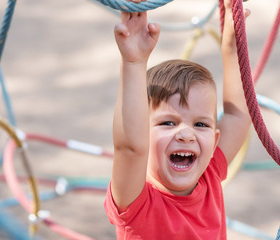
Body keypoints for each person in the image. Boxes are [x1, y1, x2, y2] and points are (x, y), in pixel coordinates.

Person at [104, 0, 251, 239]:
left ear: (215, 141)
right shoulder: (136, 201)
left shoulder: (210, 173)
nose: (186, 134)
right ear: (143, 132)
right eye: (168, 123)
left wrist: (232, 46)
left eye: (200, 124)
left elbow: (237, 115)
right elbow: (129, 148)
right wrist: (133, 62)